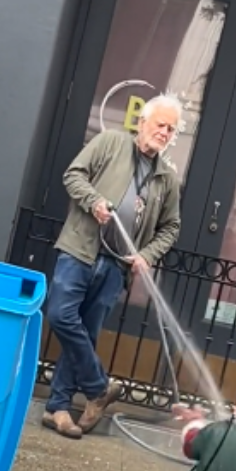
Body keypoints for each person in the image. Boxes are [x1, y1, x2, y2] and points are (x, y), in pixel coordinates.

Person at [43, 95, 184, 439]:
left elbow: (171, 227)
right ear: (142, 122)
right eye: (159, 124)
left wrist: (147, 254)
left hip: (116, 266)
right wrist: (93, 202)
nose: (164, 133)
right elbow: (73, 174)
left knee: (87, 334)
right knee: (61, 314)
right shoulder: (111, 142)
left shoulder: (166, 178)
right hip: (81, 248)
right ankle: (97, 386)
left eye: (171, 129)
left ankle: (58, 408)